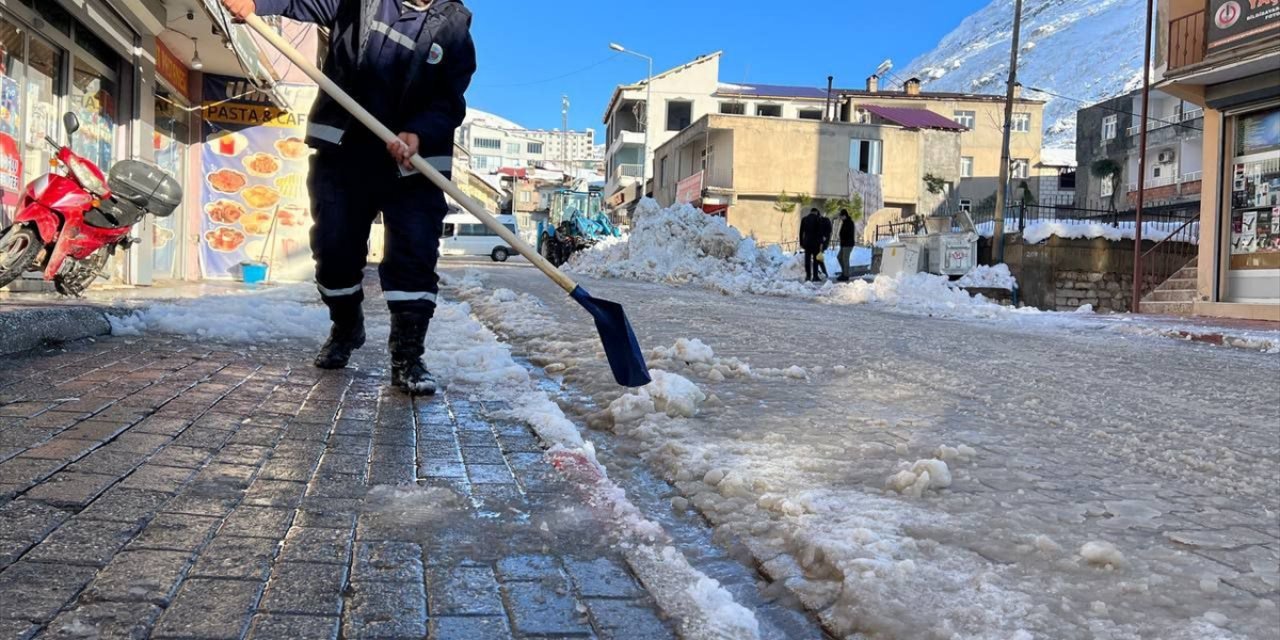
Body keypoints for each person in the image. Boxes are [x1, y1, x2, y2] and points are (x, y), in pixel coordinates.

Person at [220, 0, 477, 395]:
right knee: (334, 249)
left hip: (415, 160)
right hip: (347, 148)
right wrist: (254, 2)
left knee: (414, 254)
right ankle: (346, 326)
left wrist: (419, 132)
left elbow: (449, 97)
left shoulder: (455, 27)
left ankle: (408, 357)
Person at [798, 208, 825, 282]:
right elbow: (820, 232)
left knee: (807, 259)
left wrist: (801, 243)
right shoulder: (818, 219)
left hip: (807, 243)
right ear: (816, 212)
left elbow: (801, 232)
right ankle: (815, 276)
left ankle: (808, 276)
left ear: (810, 212)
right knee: (816, 260)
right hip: (815, 243)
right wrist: (821, 243)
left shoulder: (804, 219)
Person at [836, 209, 856, 282]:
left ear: (845, 215)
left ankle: (846, 275)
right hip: (843, 244)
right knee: (839, 257)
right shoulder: (844, 222)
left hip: (848, 244)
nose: (840, 218)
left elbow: (848, 234)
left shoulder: (849, 222)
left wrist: (843, 238)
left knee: (845, 259)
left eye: (841, 216)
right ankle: (844, 272)